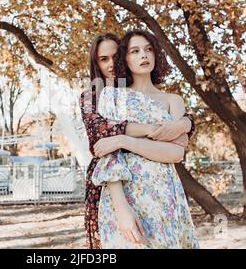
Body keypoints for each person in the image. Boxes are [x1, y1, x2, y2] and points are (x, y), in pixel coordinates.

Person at [79, 32, 195, 249]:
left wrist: (123, 140)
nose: (112, 63)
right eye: (135, 51)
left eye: (148, 49)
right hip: (122, 188)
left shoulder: (173, 100)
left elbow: (176, 153)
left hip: (165, 192)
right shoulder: (103, 97)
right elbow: (104, 146)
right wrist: (121, 209)